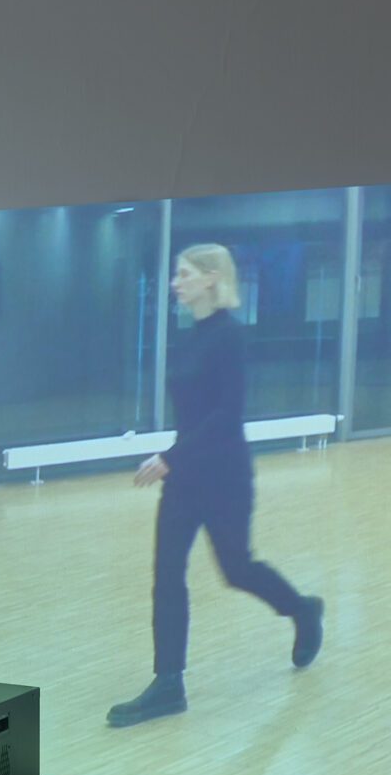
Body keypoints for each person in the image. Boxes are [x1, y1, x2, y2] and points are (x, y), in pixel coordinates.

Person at [108, 244, 323, 727]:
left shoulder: (230, 337)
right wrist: (177, 461)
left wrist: (170, 457)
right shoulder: (192, 336)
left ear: (211, 278)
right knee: (167, 573)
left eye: (183, 274)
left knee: (237, 569)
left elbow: (227, 416)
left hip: (224, 477)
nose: (175, 283)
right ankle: (168, 684)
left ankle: (303, 610)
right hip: (186, 477)